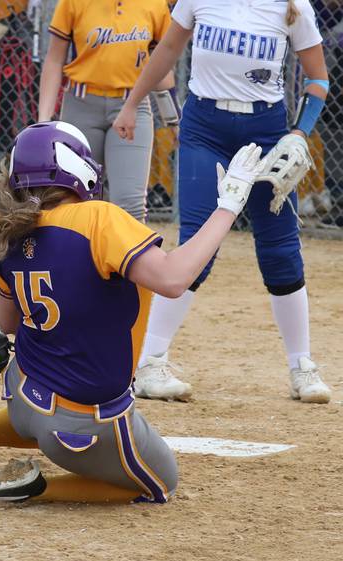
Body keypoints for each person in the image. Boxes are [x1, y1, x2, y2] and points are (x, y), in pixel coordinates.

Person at [0, 121, 263, 503]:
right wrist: (228, 206)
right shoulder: (98, 219)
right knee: (160, 483)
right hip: (82, 425)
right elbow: (174, 280)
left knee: (49, 389)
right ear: (75, 167)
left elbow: (7, 324)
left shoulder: (11, 232)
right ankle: (30, 487)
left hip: (22, 397)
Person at [112, 0, 332, 403]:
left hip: (268, 130)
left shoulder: (294, 5)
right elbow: (167, 50)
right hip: (205, 130)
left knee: (281, 249)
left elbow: (319, 79)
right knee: (198, 242)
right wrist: (131, 103)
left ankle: (302, 365)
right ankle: (149, 362)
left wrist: (300, 132)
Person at [38, 0, 179, 222]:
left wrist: (175, 120)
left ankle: (129, 257)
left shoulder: (155, 4)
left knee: (130, 205)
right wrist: (43, 120)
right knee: (75, 199)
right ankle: (77, 256)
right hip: (81, 105)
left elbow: (162, 69)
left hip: (132, 106)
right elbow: (55, 59)